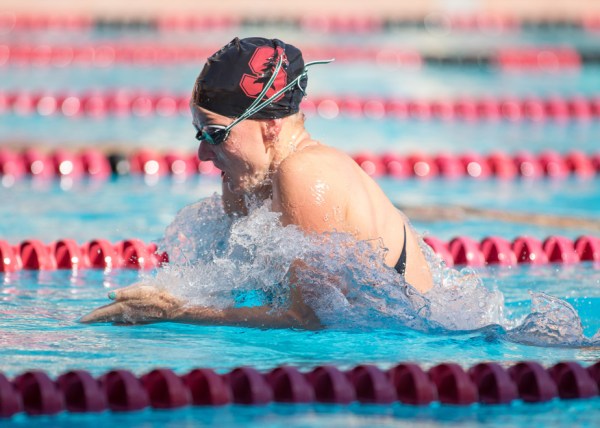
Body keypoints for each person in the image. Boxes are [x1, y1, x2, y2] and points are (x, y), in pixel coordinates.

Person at [81, 37, 433, 329]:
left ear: (271, 124)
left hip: (405, 350)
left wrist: (176, 312)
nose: (203, 153)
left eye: (216, 133)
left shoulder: (307, 173)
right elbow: (245, 295)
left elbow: (310, 319)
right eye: (199, 133)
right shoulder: (243, 184)